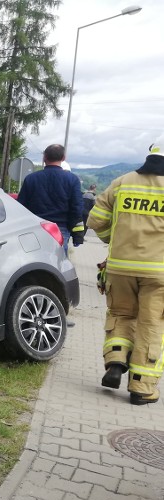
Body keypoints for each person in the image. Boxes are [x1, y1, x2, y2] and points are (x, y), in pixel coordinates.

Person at [87, 137, 164, 405]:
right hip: (159, 274)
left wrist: (113, 240)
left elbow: (96, 219)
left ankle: (117, 360)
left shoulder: (123, 182)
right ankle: (141, 388)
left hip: (120, 267)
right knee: (151, 324)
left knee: (121, 313)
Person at [16, 144, 86, 256]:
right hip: (60, 230)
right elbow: (77, 208)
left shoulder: (31, 179)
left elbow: (21, 206)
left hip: (34, 228)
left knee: (32, 262)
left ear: (44, 158)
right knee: (58, 265)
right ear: (63, 158)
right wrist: (77, 235)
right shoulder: (72, 180)